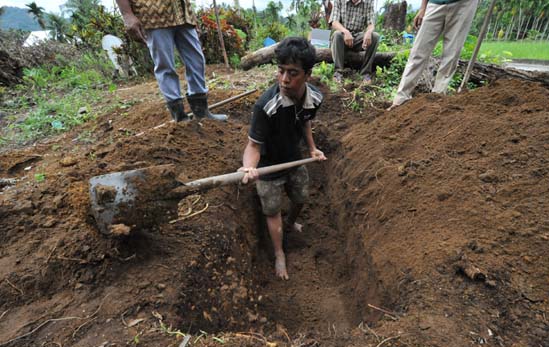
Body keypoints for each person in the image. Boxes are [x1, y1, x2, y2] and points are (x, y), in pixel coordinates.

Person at [239, 37, 327, 281]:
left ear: (307, 75)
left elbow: (305, 120)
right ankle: (279, 252)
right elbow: (253, 145)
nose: (285, 79)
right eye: (280, 71)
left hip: (294, 159)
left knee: (300, 197)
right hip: (268, 166)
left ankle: (290, 224)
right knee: (272, 209)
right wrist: (249, 167)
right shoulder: (266, 106)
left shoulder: (315, 98)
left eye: (293, 73)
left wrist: (311, 148)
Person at [115, 0, 227, 122]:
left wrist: (192, 16)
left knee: (196, 61)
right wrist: (127, 14)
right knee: (165, 65)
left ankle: (202, 112)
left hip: (182, 14)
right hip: (153, 15)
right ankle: (179, 116)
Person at [389, 0, 478, 109]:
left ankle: (437, 98)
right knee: (418, 52)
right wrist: (423, 8)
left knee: (451, 54)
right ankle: (400, 99)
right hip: (435, 3)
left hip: (463, 4)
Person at [329, 0, 380, 83]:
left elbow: (371, 23)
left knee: (375, 36)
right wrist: (345, 31)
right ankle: (338, 72)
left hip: (359, 38)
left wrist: (368, 32)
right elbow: (334, 22)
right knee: (337, 34)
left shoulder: (368, 1)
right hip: (343, 37)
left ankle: (365, 73)